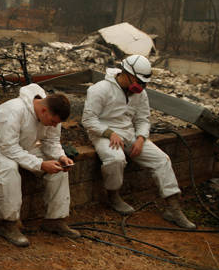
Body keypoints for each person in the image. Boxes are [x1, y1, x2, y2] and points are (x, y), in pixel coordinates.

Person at [81, 54, 195, 228]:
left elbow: (143, 119)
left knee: (162, 160)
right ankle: (113, 196)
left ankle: (173, 208)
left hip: (129, 133)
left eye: (144, 83)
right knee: (115, 159)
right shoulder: (100, 89)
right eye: (138, 81)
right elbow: (88, 120)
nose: (141, 86)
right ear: (125, 73)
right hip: (103, 133)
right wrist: (109, 132)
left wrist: (141, 138)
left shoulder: (140, 94)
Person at [0, 84, 80, 248]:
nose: (52, 126)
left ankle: (55, 220)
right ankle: (9, 224)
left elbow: (51, 142)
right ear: (44, 111)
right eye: (52, 121)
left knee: (59, 169)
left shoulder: (49, 116)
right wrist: (40, 164)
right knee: (8, 168)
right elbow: (9, 148)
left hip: (20, 147)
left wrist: (61, 156)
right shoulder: (14, 110)